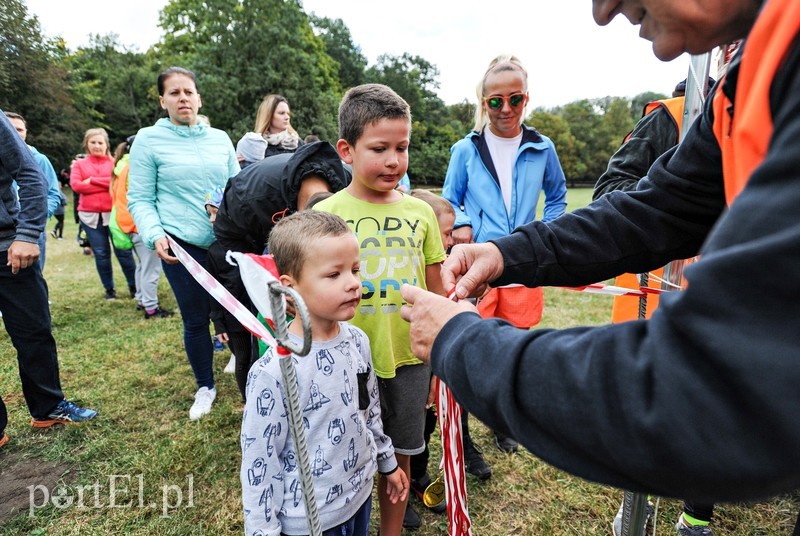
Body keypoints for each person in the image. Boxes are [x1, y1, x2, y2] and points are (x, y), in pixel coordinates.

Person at [400, 0, 800, 505]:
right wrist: (506, 253)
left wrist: (462, 344)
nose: (603, 12)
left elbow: (706, 393)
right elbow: (653, 210)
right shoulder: (749, 74)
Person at [313, 83, 446, 536]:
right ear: (346, 150)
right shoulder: (325, 213)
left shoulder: (421, 213)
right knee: (344, 448)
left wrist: (439, 361)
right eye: (380, 148)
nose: (394, 160)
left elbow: (436, 291)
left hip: (409, 358)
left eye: (402, 147)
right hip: (343, 360)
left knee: (404, 449)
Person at [595, 79, 717, 536]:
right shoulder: (669, 116)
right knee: (652, 409)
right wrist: (676, 209)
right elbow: (612, 188)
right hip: (658, 293)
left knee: (712, 407)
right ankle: (637, 504)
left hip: (724, 295)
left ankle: (695, 518)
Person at [240, 210, 408, 535]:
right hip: (307, 521)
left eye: (355, 270)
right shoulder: (275, 370)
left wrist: (387, 461)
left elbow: (369, 410)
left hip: (359, 497)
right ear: (289, 287)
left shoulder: (357, 341)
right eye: (334, 275)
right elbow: (260, 462)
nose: (353, 284)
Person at [441, 54, 568, 456]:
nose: (506, 109)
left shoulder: (543, 147)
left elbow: (558, 198)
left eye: (515, 99)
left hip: (523, 264)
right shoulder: (465, 149)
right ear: (484, 104)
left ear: (526, 99)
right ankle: (463, 437)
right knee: (469, 349)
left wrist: (542, 235)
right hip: (478, 265)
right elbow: (450, 199)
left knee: (513, 348)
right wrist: (462, 221)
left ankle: (503, 422)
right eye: (495, 102)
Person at [128, 66, 239, 421]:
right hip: (182, 247)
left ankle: (251, 379)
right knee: (195, 320)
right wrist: (155, 234)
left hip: (225, 242)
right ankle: (205, 386)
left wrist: (231, 216)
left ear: (199, 98)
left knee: (238, 314)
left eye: (188, 92)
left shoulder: (220, 138)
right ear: (163, 101)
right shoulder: (148, 139)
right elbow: (140, 198)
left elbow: (238, 187)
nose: (183, 98)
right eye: (174, 93)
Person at [211, 141, 350, 402]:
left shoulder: (349, 186)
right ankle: (258, 397)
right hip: (246, 240)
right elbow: (227, 238)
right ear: (298, 211)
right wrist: (264, 280)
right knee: (255, 330)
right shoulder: (251, 194)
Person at [0, 110, 97, 449]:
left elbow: (29, 174)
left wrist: (27, 233)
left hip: (8, 248)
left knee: (33, 331)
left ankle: (48, 407)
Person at [406, 189, 455, 525]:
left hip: (432, 361)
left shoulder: (445, 267)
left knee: (427, 421)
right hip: (409, 357)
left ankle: (419, 476)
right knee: (404, 429)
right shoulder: (411, 268)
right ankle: (401, 484)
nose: (450, 241)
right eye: (446, 233)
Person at [70, 127, 137, 300]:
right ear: (87, 144)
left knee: (123, 251)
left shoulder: (115, 162)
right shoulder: (79, 164)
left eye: (100, 142)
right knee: (101, 253)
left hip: (114, 214)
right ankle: (109, 289)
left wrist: (92, 180)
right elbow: (76, 186)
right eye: (93, 142)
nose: (97, 146)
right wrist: (105, 183)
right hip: (90, 216)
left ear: (106, 144)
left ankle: (134, 286)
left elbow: (117, 182)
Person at [110, 135, 172, 319]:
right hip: (140, 225)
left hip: (127, 222)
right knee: (151, 268)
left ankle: (141, 298)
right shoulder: (137, 168)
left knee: (143, 265)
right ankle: (151, 308)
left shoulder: (123, 166)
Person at [5, 112, 61, 270]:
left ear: (26, 133)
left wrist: (37, 216)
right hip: (4, 228)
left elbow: (53, 194)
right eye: (10, 128)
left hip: (30, 227)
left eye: (20, 129)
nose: (15, 133)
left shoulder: (39, 159)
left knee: (30, 276)